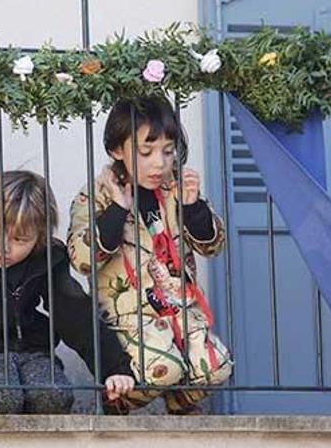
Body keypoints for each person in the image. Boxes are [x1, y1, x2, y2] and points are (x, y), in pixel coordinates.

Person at [0, 170, 135, 414]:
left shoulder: (47, 258)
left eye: (19, 239)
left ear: (40, 236)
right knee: (1, 396)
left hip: (31, 351)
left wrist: (114, 367)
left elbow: (75, 315)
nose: (3, 248)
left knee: (53, 396)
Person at [67, 97, 232, 414]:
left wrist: (193, 207)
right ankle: (119, 400)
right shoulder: (97, 194)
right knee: (164, 369)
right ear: (117, 150)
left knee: (217, 368)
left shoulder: (175, 189)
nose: (160, 163)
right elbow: (82, 259)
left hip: (181, 308)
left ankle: (178, 402)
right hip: (127, 317)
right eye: (146, 152)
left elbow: (212, 245)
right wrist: (117, 210)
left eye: (168, 152)